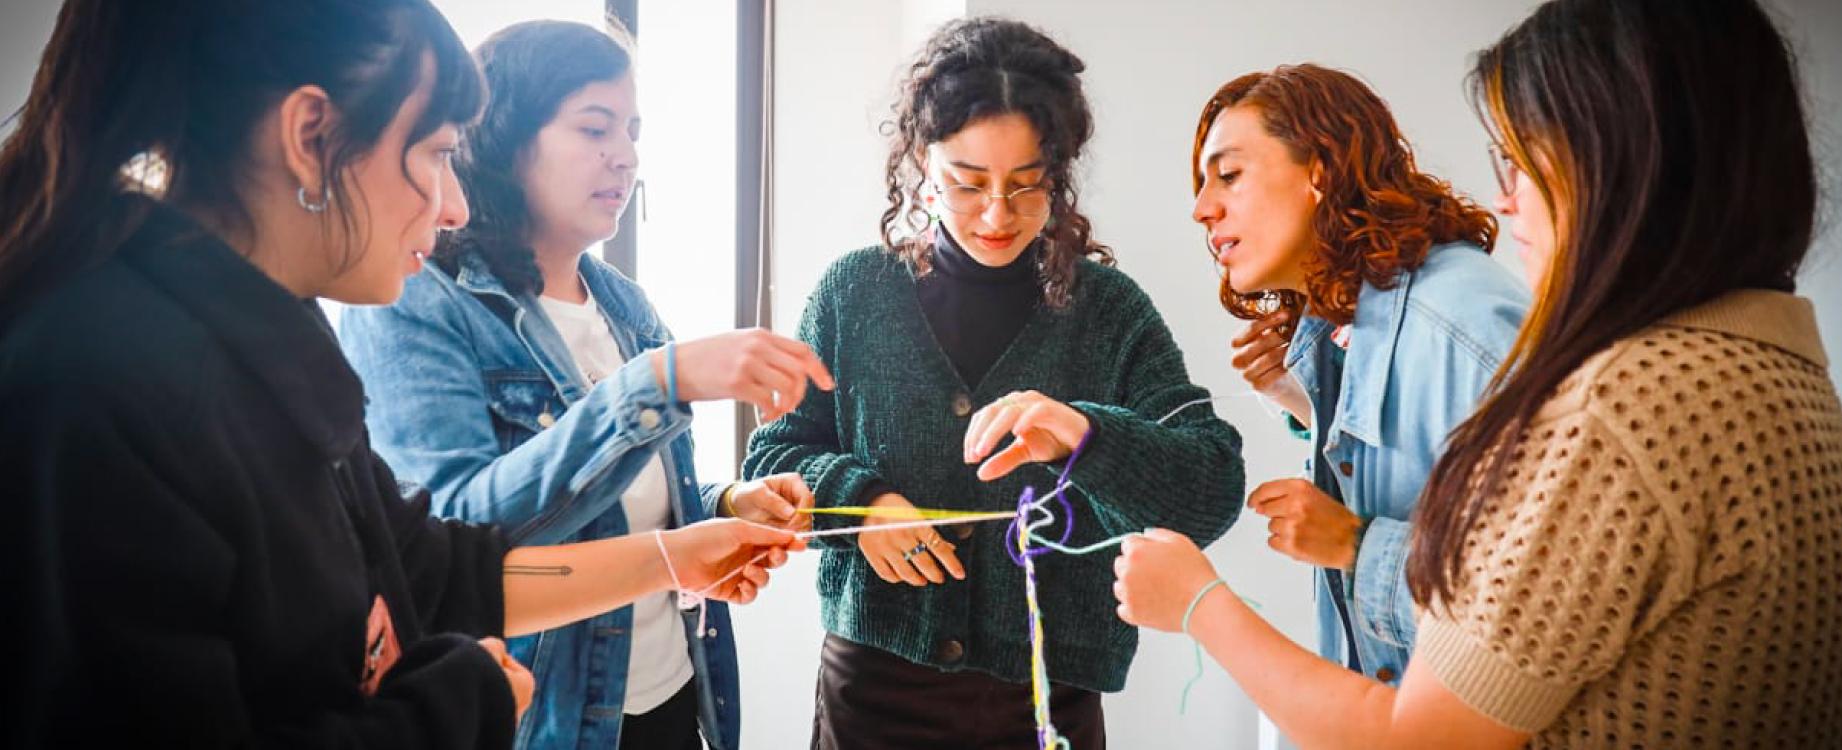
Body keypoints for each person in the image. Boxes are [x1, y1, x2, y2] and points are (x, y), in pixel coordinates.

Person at [0, 2, 800, 747]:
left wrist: (682, 550)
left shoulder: (271, 336)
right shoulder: (102, 383)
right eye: (437, 154)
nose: (453, 205)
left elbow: (434, 570)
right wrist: (461, 701)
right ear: (311, 135)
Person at [1113, 0, 1842, 747]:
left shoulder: (1613, 400)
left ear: (1621, 153)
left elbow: (1425, 731)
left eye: (1519, 157)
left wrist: (1201, 604)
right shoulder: (1771, 366)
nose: (1507, 198)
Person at [742, 17, 1244, 749]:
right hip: (873, 699)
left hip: (1046, 706)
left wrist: (1086, 436)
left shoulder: (1109, 313)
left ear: (1061, 171)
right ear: (922, 162)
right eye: (966, 183)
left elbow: (1212, 490)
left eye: (1027, 185)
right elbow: (772, 460)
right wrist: (861, 504)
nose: (997, 215)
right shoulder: (854, 295)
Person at [337, 20, 828, 750]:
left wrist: (723, 506)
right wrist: (659, 382)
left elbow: (623, 503)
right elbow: (450, 551)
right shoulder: (420, 298)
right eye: (595, 129)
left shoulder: (624, 304)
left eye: (632, 131)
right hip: (544, 722)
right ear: (503, 138)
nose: (626, 158)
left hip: (674, 699)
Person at [1191, 63, 1527, 684]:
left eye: (1229, 176)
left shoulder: (1466, 326)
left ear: (1319, 170)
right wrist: (1305, 404)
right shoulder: (1343, 323)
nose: (1202, 209)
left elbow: (1543, 600)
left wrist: (1355, 545)